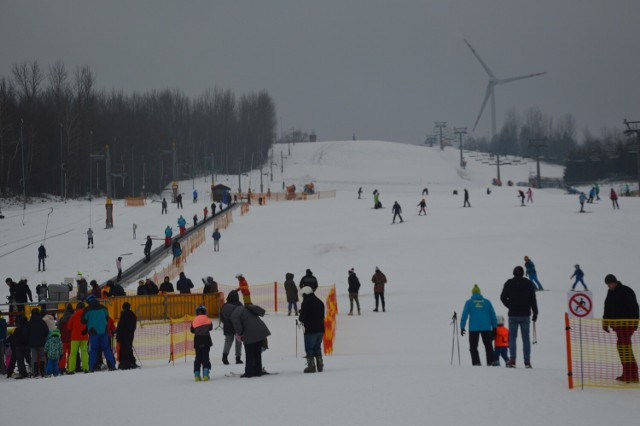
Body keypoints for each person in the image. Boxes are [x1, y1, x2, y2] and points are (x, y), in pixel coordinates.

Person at [602, 274, 639, 383]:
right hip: (617, 326)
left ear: (615, 281)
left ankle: (631, 375)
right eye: (607, 285)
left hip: (627, 325)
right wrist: (605, 322)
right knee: (623, 348)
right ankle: (629, 374)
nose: (609, 286)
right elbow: (607, 308)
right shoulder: (610, 293)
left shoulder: (626, 291)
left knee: (624, 348)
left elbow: (634, 307)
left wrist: (634, 323)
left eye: (610, 284)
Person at [500, 265, 538, 368]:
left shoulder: (509, 283)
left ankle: (512, 360)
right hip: (525, 314)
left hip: (513, 314)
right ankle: (527, 361)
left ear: (513, 273)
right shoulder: (528, 283)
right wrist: (535, 313)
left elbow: (502, 297)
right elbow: (533, 299)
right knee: (526, 338)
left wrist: (510, 306)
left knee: (512, 338)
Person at [230, 301, 271, 378]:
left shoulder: (234, 314)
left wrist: (240, 334)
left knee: (249, 354)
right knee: (257, 353)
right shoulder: (245, 308)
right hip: (260, 330)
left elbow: (237, 326)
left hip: (250, 333)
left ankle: (248, 373)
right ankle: (258, 371)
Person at [459, 284, 497, 366]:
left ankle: (476, 363)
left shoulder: (469, 302)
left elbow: (464, 315)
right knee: (488, 346)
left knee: (473, 347)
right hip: (486, 327)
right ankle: (491, 362)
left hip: (473, 328)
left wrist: (462, 327)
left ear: (472, 293)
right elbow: (493, 315)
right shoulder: (487, 302)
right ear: (480, 293)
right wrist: (494, 327)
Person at [81, 295, 116, 372]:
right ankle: (112, 366)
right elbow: (107, 318)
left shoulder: (87, 310)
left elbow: (83, 321)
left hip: (93, 332)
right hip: (104, 331)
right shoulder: (103, 308)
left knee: (93, 350)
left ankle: (91, 368)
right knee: (106, 349)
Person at [299, 285, 325, 373]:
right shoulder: (320, 302)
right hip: (321, 329)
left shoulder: (306, 303)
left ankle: (311, 366)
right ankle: (320, 365)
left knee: (309, 348)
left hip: (310, 330)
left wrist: (301, 313)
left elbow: (302, 318)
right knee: (317, 347)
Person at [220, 290, 243, 365]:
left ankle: (225, 356)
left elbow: (221, 316)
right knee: (238, 341)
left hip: (228, 326)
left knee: (228, 341)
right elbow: (242, 315)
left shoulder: (225, 305)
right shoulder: (239, 305)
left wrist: (226, 323)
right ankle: (238, 358)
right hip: (238, 326)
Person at [191, 305, 213, 381]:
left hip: (197, 340)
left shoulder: (194, 320)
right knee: (205, 357)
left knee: (198, 358)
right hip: (206, 340)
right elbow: (211, 328)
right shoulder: (207, 319)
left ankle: (197, 374)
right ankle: (206, 374)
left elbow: (192, 330)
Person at [66, 302, 89, 374]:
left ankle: (71, 369)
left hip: (75, 338)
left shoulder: (73, 316)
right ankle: (86, 368)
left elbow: (69, 327)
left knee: (73, 354)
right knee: (84, 352)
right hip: (84, 337)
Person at [26, 308, 49, 377]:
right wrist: (43, 337)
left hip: (32, 343)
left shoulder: (29, 323)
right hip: (41, 342)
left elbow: (26, 333)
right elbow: (47, 331)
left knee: (34, 357)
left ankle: (35, 371)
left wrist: (29, 339)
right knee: (42, 356)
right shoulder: (42, 322)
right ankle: (43, 370)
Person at [116, 302, 137, 370]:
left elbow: (120, 326)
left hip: (123, 335)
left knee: (124, 349)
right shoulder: (133, 315)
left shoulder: (123, 314)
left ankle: (125, 363)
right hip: (130, 334)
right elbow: (134, 326)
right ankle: (132, 362)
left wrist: (118, 335)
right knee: (129, 348)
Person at [57, 303, 74, 374]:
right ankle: (70, 367)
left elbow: (58, 328)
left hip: (63, 339)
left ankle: (61, 368)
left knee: (63, 354)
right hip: (72, 339)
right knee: (71, 354)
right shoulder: (74, 318)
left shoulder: (61, 319)